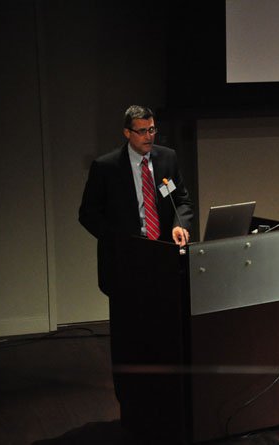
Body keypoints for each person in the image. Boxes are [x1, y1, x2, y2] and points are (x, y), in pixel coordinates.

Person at [78, 105, 194, 407]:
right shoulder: (106, 167)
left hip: (163, 257)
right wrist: (118, 241)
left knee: (165, 331)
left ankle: (166, 396)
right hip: (126, 262)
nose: (148, 136)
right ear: (127, 133)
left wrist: (179, 226)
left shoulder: (167, 158)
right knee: (130, 338)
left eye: (152, 129)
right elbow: (88, 214)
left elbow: (180, 199)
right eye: (142, 131)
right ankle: (130, 401)